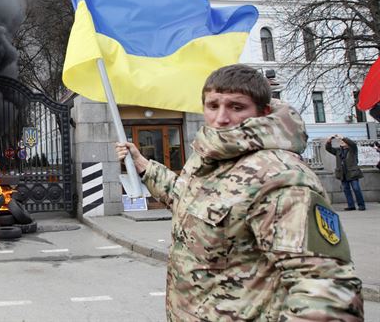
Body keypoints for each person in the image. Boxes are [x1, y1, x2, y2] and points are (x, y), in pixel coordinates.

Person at [115, 64, 363, 321]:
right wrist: (144, 166)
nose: (221, 118)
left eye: (236, 107)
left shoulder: (281, 176)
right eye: (213, 106)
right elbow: (186, 198)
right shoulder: (210, 159)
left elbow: (327, 293)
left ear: (262, 112)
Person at [325, 135, 366, 211]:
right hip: (343, 173)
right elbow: (328, 148)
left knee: (356, 189)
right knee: (346, 190)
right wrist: (329, 140)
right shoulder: (338, 151)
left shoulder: (352, 149)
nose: (342, 142)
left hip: (352, 173)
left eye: (343, 141)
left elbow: (352, 144)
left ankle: (361, 205)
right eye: (340, 141)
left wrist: (343, 137)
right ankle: (351, 205)